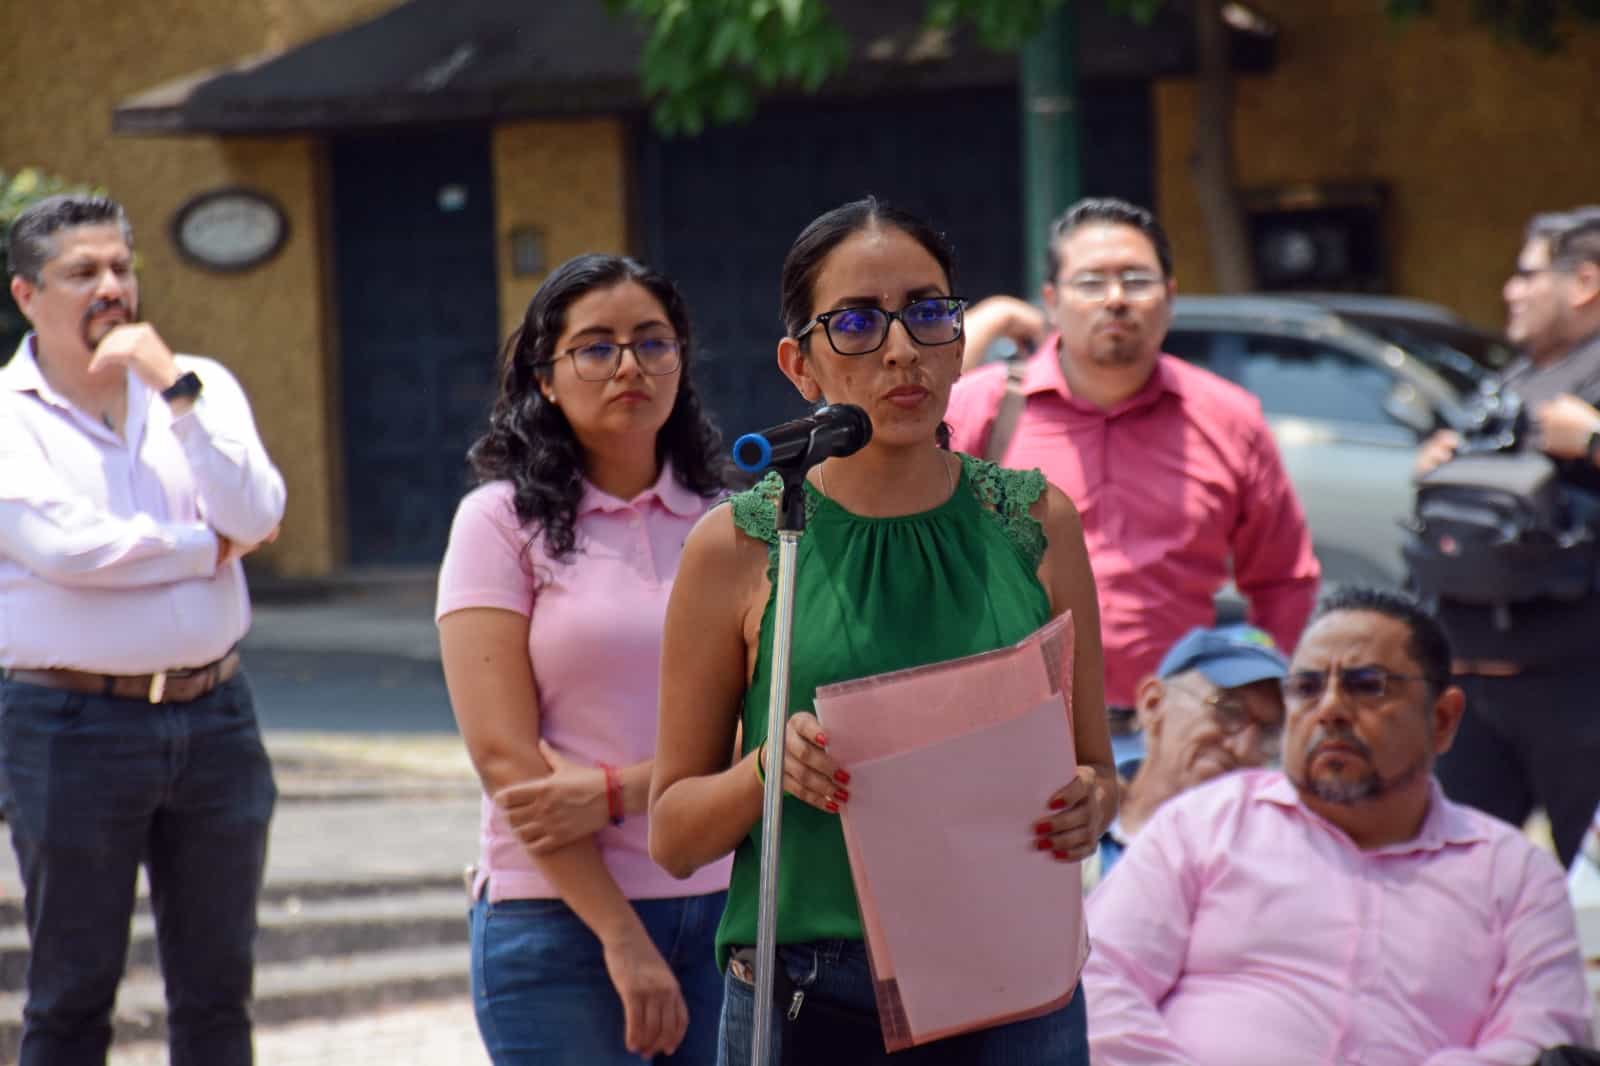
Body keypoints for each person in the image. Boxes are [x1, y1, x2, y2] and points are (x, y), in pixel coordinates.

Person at [648, 197, 1118, 1066]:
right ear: (801, 365)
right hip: (813, 993)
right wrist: (769, 769)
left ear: (959, 336)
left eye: (929, 312)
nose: (903, 348)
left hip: (1019, 983)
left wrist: (1090, 802)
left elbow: (1096, 767)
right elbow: (674, 837)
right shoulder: (744, 544)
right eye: (858, 323)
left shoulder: (1035, 521)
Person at [0, 194, 285, 1064]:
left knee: (217, 993)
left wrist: (178, 391)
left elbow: (260, 509)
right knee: (73, 994)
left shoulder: (197, 383)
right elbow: (66, 550)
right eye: (82, 272)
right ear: (25, 295)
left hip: (216, 719)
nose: (111, 288)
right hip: (70, 728)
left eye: (121, 267)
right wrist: (210, 549)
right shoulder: (7, 412)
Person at [1083, 586, 1590, 1065]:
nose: (1329, 710)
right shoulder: (1203, 824)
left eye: (1366, 686)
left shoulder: (1515, 875)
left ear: (1442, 720)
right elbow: (1101, 978)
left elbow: (1542, 1040)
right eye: (1305, 687)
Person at [436, 253, 732, 1065]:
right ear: (546, 378)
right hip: (556, 918)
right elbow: (505, 755)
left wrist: (613, 791)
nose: (628, 366)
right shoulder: (499, 521)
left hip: (725, 909)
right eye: (596, 347)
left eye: (652, 342)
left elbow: (769, 731)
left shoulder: (734, 521)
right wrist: (624, 940)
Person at [944, 197, 1319, 744]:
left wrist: (1256, 695)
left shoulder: (1228, 418)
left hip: (1177, 739)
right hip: (1010, 735)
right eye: (1091, 282)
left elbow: (1285, 580)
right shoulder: (984, 409)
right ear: (1052, 301)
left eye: (1137, 280)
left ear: (1169, 298)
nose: (1116, 299)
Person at [1415, 208, 1600, 869]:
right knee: (1455, 882)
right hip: (1480, 684)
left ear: (1583, 282)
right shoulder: (1511, 382)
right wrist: (1445, 464)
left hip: (1582, 686)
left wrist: (1596, 441)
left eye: (1526, 275)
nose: (1510, 292)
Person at [1089, 622, 1286, 887]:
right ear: (1153, 704)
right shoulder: (1076, 809)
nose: (1243, 748)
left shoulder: (1257, 873)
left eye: (1268, 733)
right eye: (1229, 710)